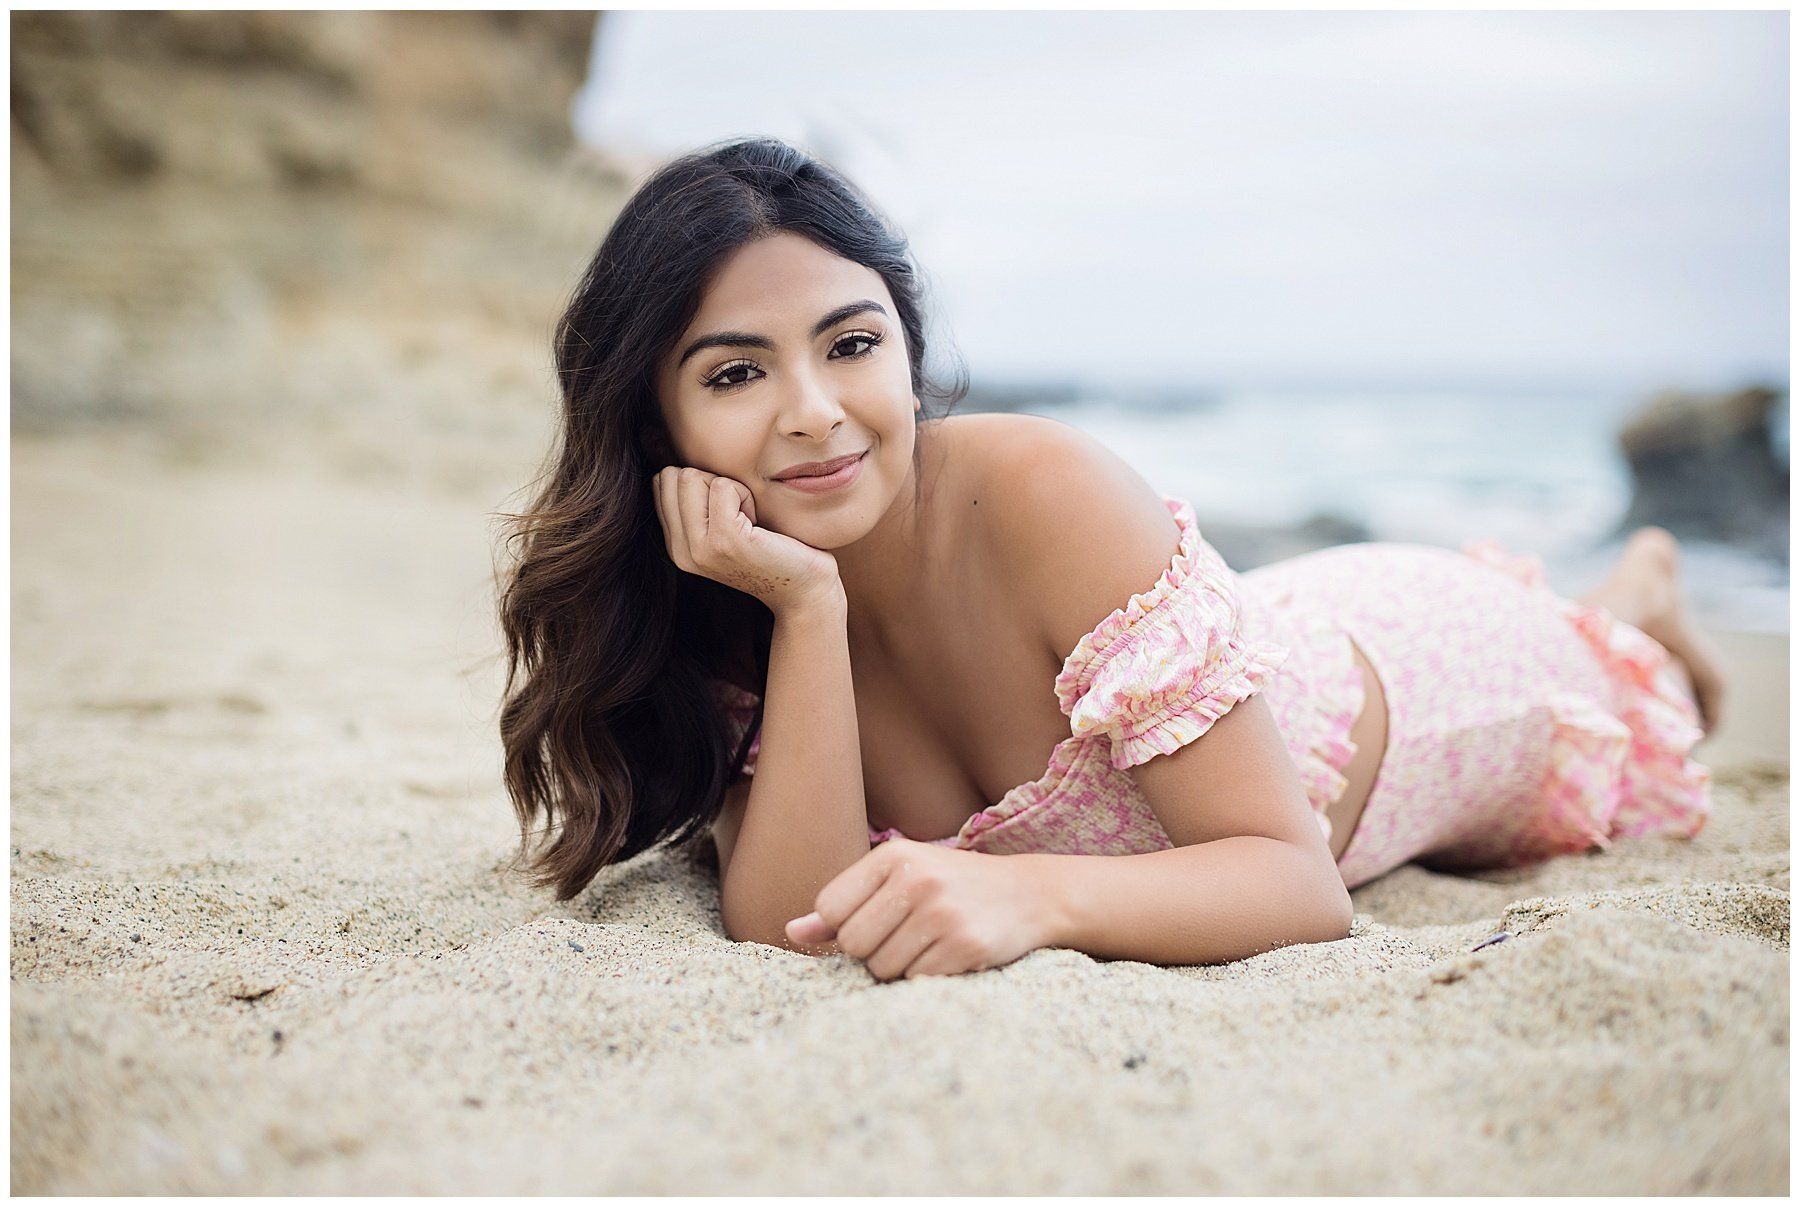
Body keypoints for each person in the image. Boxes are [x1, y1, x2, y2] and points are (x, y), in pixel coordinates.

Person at [496, 137, 1723, 980]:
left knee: (1632, 685)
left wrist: (1037, 897)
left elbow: (1301, 891)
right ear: (661, 425)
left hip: (1438, 669)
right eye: (736, 372)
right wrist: (807, 611)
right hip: (1267, 626)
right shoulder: (735, 594)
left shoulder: (1042, 488)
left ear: (904, 349)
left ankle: (1633, 600)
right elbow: (791, 922)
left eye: (851, 344)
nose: (814, 410)